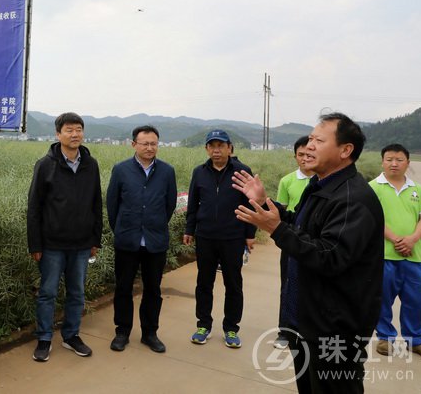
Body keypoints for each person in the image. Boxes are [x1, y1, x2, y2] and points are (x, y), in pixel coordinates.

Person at [233, 112, 384, 394]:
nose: (309, 146)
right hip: (308, 319)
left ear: (345, 150)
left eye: (319, 140)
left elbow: (330, 256)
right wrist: (266, 203)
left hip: (335, 329)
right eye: (310, 139)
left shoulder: (353, 198)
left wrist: (276, 229)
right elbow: (302, 226)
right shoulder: (321, 187)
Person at [27, 112, 103, 362]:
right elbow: (34, 207)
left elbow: (96, 203)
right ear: (58, 134)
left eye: (79, 129)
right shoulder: (45, 165)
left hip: (81, 244)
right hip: (51, 245)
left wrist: (95, 240)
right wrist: (35, 244)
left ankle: (71, 335)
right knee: (48, 292)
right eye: (69, 130)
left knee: (77, 292)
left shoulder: (90, 165)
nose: (75, 134)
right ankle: (45, 338)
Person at [106, 125, 176, 354]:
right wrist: (123, 229)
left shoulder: (167, 171)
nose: (149, 147)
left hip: (155, 241)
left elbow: (169, 205)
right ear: (133, 144)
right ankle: (122, 331)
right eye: (144, 143)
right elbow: (112, 205)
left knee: (153, 289)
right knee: (124, 288)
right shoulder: (121, 170)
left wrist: (153, 223)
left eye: (153, 143)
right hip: (127, 240)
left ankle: (150, 333)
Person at [183, 129, 256, 349]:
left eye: (221, 145)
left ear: (229, 148)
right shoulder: (200, 172)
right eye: (212, 146)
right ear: (206, 149)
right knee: (204, 283)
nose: (216, 150)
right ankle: (203, 324)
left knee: (233, 284)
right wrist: (189, 229)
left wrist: (250, 234)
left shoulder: (242, 171)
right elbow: (193, 204)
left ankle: (231, 328)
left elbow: (251, 203)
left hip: (232, 237)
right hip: (205, 237)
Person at [369, 143, 421, 359]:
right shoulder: (372, 187)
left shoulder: (417, 189)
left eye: (399, 159)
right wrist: (395, 239)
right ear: (382, 161)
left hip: (415, 256)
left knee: (416, 300)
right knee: (382, 299)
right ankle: (385, 337)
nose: (394, 163)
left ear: (407, 163)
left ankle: (417, 340)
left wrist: (411, 239)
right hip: (383, 256)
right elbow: (373, 218)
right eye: (389, 159)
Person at [273, 135, 313, 349]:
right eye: (301, 154)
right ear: (295, 156)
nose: (305, 158)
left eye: (309, 153)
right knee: (288, 286)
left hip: (317, 243)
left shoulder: (324, 181)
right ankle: (284, 331)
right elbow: (281, 212)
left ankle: (306, 330)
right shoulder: (287, 181)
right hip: (292, 242)